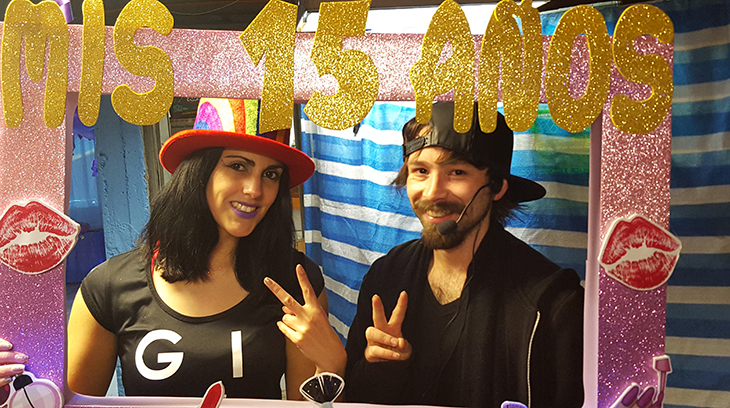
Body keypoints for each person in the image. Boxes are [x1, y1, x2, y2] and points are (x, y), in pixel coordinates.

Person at [1, 98, 340, 400]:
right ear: (199, 172)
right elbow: (65, 401)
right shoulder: (110, 286)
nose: (255, 189)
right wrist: (10, 388)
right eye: (237, 166)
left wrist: (332, 366)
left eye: (271, 174)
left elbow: (310, 404)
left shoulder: (295, 282)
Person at [344, 101, 585, 407]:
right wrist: (382, 369)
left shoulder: (550, 302)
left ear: (496, 188)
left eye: (456, 172)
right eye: (421, 171)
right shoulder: (386, 276)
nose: (433, 192)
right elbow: (355, 396)